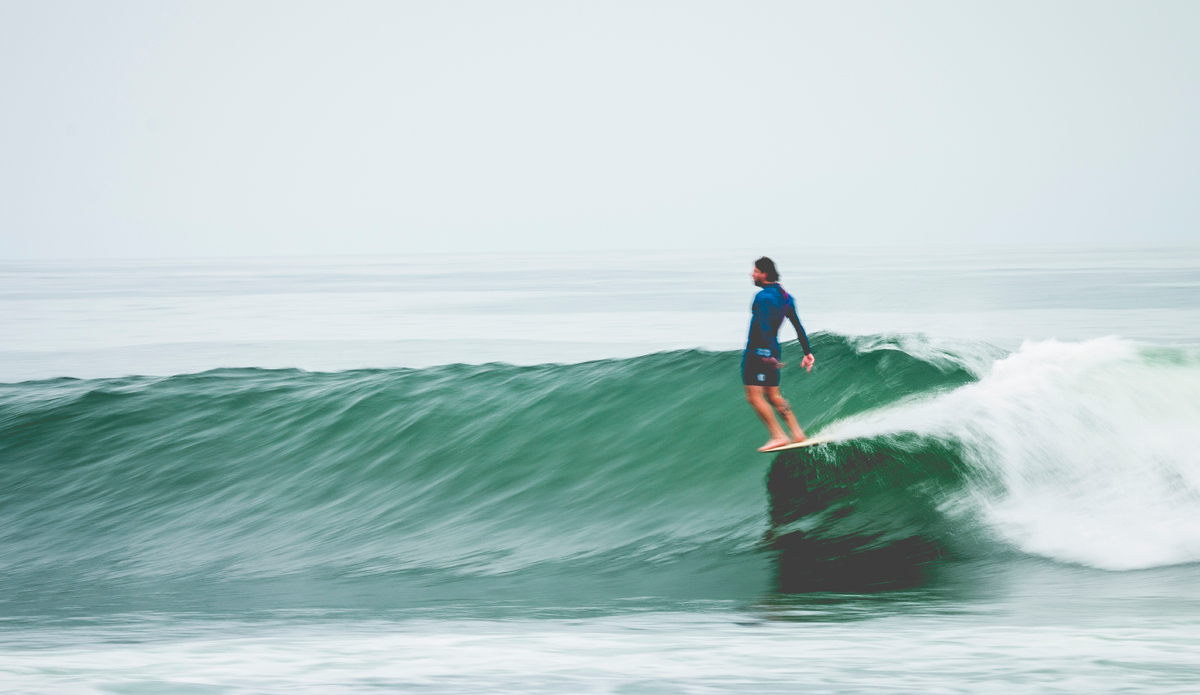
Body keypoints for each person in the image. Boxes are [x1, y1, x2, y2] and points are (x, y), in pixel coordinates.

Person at [743, 256, 815, 451]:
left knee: (754, 396)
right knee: (773, 395)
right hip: (774, 348)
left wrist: (764, 354)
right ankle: (797, 434)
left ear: (764, 274)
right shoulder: (786, 297)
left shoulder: (763, 297)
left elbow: (763, 326)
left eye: (755, 271)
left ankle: (778, 436)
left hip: (758, 351)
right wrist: (807, 352)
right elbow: (798, 327)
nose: (752, 274)